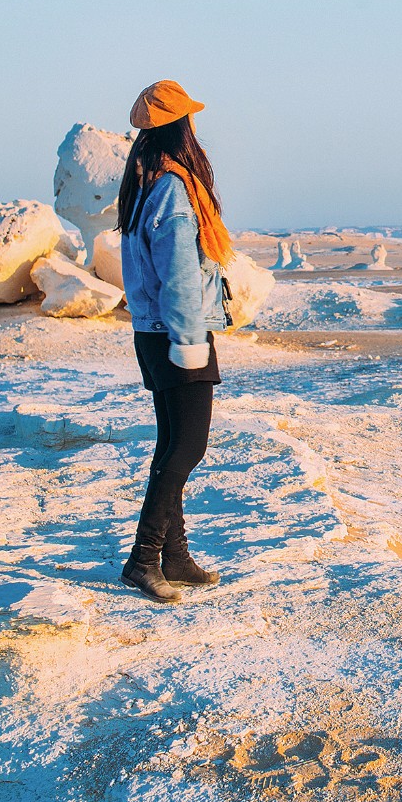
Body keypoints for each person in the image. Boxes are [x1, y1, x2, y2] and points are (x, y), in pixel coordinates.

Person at [115, 79, 233, 603]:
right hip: (176, 334)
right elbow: (181, 274)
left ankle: (175, 556)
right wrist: (191, 341)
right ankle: (144, 560)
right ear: (182, 127)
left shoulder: (145, 182)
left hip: (152, 332)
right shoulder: (173, 189)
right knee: (187, 448)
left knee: (171, 445)